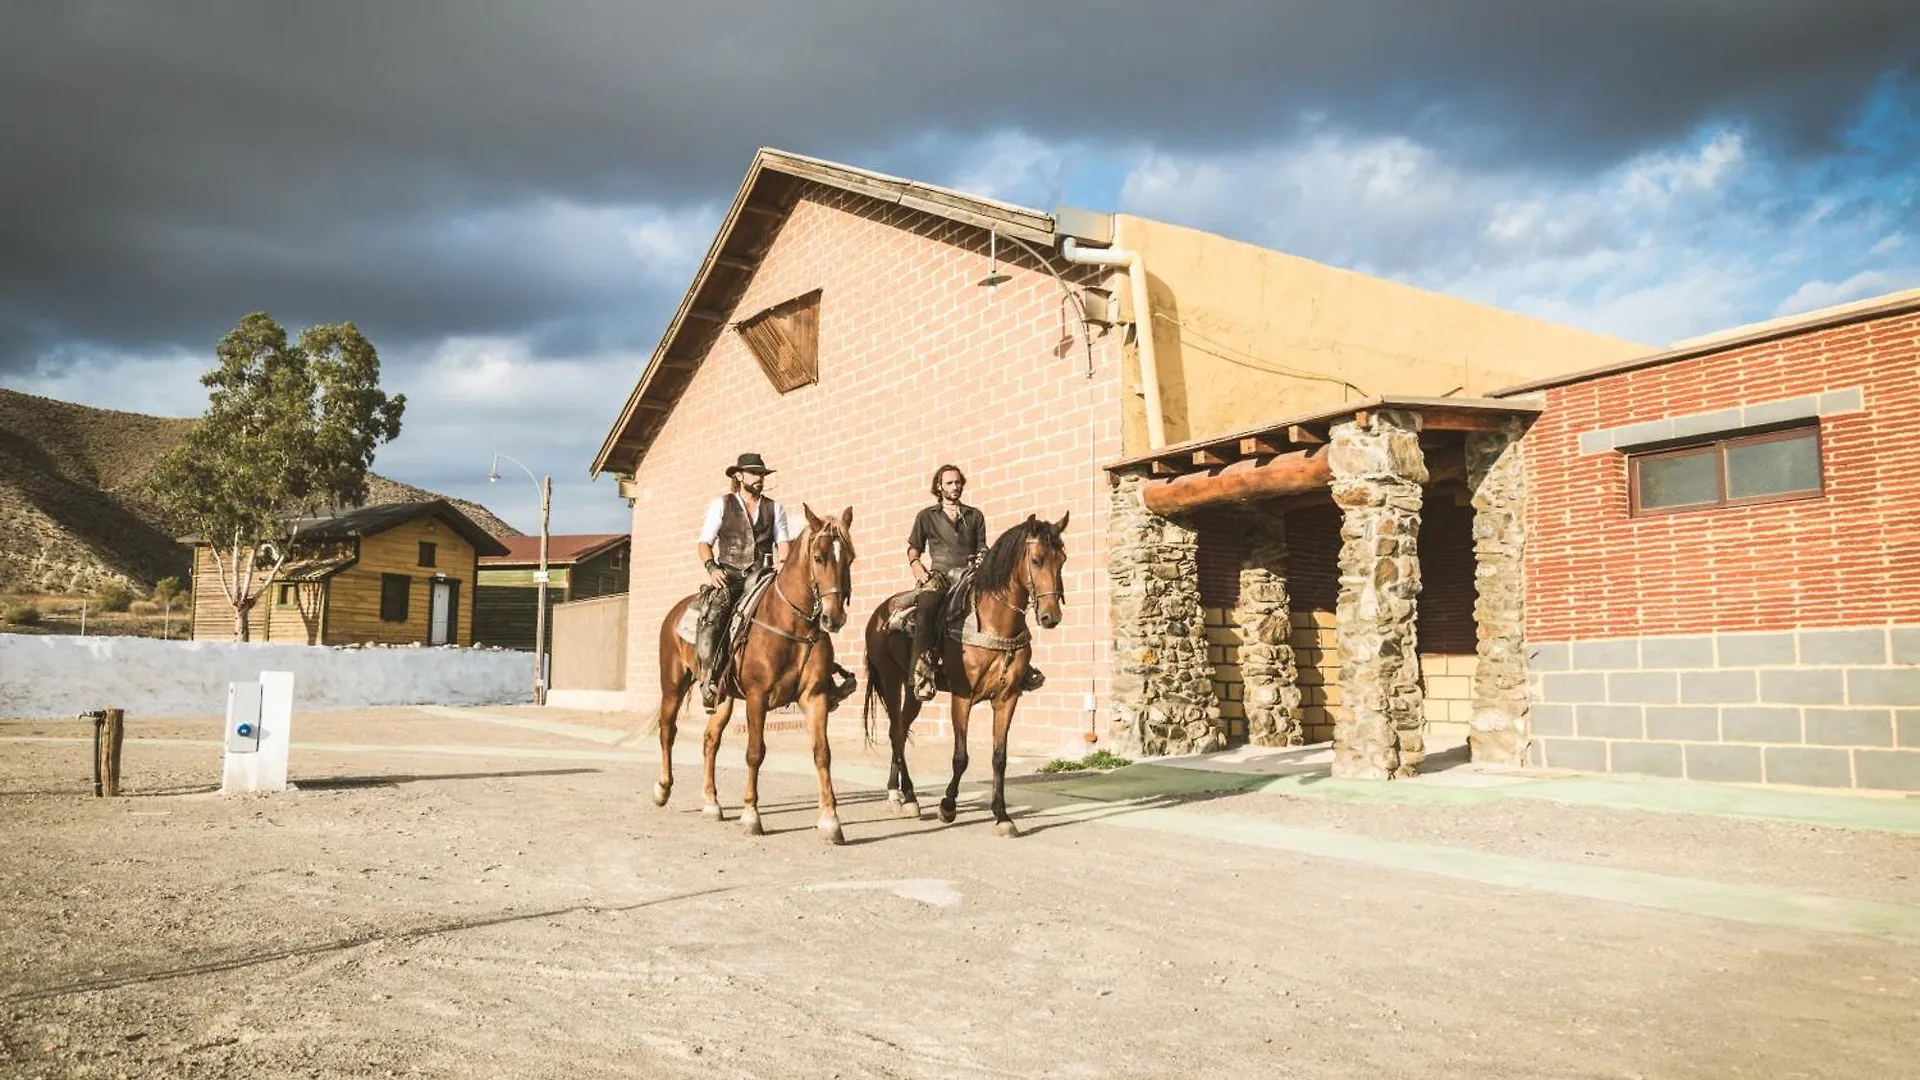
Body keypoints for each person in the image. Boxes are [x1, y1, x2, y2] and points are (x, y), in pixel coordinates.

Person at [694, 452, 792, 709]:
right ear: (739, 476)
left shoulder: (776, 508)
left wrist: (782, 564)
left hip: (762, 575)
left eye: (761, 474)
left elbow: (783, 543)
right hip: (729, 575)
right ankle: (710, 678)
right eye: (754, 473)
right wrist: (712, 568)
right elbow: (704, 543)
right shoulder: (722, 504)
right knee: (714, 615)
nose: (759, 478)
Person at [905, 464, 987, 701]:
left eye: (958, 482)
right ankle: (919, 675)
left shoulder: (975, 515)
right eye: (949, 483)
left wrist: (983, 556)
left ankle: (1020, 666)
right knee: (926, 609)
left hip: (971, 574)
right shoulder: (926, 516)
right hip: (939, 575)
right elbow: (914, 548)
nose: (955, 486)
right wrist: (916, 566)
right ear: (939, 487)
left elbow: (981, 545)